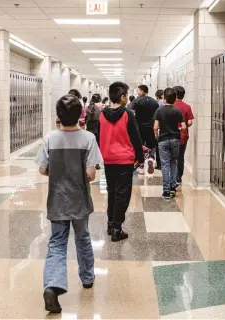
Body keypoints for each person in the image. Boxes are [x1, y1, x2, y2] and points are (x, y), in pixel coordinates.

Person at [36, 94, 103, 314]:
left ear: (59, 116)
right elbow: (91, 173)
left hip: (57, 199)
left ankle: (52, 287)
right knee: (83, 238)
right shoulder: (88, 139)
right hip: (80, 199)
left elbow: (43, 169)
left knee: (56, 242)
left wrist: (59, 172)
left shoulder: (50, 139)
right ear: (80, 116)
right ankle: (87, 278)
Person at [99, 81, 144, 241]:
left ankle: (110, 223)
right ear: (122, 96)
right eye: (125, 95)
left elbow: (98, 137)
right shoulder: (127, 114)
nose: (126, 98)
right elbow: (135, 137)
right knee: (122, 194)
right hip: (124, 159)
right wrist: (140, 157)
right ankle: (117, 228)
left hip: (108, 159)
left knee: (111, 191)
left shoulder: (102, 114)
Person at [153, 88, 186, 199]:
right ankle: (173, 187)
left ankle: (166, 191)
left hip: (163, 140)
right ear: (174, 99)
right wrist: (178, 130)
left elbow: (155, 127)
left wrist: (157, 135)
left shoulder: (159, 110)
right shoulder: (177, 110)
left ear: (164, 99)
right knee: (173, 162)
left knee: (165, 165)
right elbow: (184, 126)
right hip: (175, 140)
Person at [131, 85, 159, 174]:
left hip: (139, 127)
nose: (137, 93)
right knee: (152, 145)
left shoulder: (136, 101)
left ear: (143, 91)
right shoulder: (154, 102)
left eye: (138, 91)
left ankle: (141, 166)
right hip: (150, 127)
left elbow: (132, 112)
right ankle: (151, 158)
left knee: (140, 146)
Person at [172, 86, 194, 185]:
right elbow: (189, 122)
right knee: (180, 157)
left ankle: (171, 178)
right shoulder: (187, 106)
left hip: (171, 135)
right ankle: (178, 178)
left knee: (171, 158)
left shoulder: (170, 105)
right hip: (182, 136)